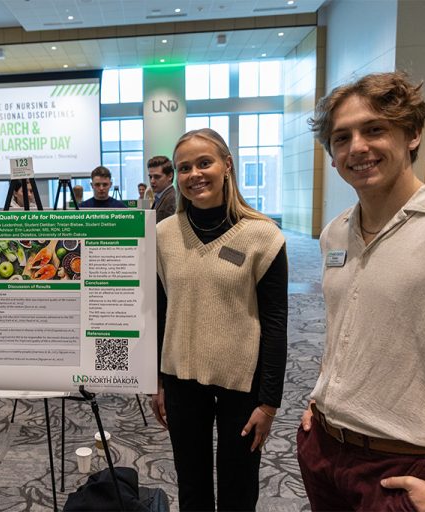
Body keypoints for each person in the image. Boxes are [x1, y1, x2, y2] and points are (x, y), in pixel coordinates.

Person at [297, 71, 425, 510]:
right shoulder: (334, 234)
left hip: (411, 465)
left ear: (412, 134)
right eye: (342, 138)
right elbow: (348, 327)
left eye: (375, 129)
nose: (357, 147)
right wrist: (323, 401)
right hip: (325, 450)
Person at [151, 128, 288, 511]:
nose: (194, 174)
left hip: (242, 385)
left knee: (238, 489)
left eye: (204, 162)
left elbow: (276, 322)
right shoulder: (163, 235)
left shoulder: (263, 235)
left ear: (227, 165)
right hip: (180, 381)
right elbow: (160, 309)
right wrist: (154, 380)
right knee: (191, 487)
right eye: (184, 167)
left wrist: (270, 402)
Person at [147, 156, 177, 223]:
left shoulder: (172, 199)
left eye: (157, 177)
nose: (152, 181)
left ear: (170, 176)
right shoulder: (159, 196)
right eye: (150, 177)